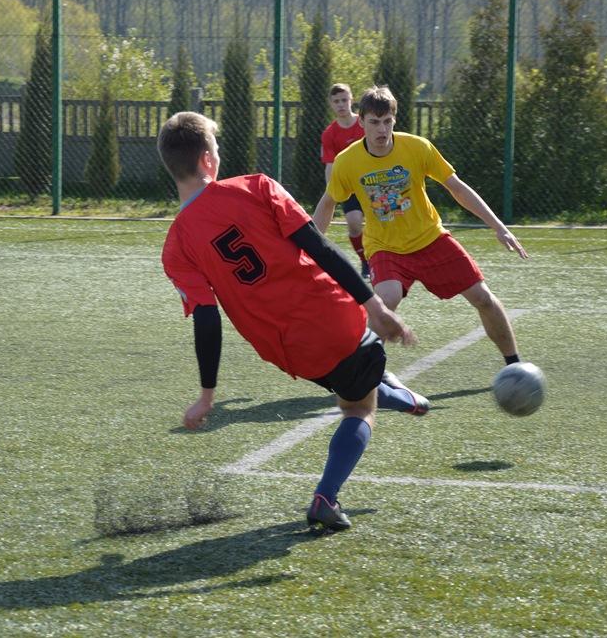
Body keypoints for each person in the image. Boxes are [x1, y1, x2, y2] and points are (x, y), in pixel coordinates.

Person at [158, 111, 417, 531]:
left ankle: (406, 399)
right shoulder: (256, 187)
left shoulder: (175, 245)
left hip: (286, 351)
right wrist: (374, 305)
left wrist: (207, 396)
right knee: (359, 407)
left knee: (352, 380)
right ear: (207, 159)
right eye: (217, 149)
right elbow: (319, 246)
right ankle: (325, 497)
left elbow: (206, 319)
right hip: (332, 318)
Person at [314, 85, 528, 370]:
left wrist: (498, 226)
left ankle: (514, 365)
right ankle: (357, 374)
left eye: (387, 121)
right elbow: (328, 203)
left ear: (394, 120)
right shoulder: (347, 161)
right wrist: (310, 248)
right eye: (374, 122)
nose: (382, 129)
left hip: (431, 238)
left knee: (483, 298)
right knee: (385, 302)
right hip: (385, 247)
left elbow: (456, 187)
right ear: (361, 122)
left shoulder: (417, 147)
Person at [321, 83, 369, 277]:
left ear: (352, 101)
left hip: (374, 182)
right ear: (331, 104)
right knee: (354, 223)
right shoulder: (329, 134)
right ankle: (366, 262)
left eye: (344, 100)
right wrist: (330, 193)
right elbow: (330, 165)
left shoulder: (366, 124)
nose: (341, 104)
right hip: (351, 187)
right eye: (336, 101)